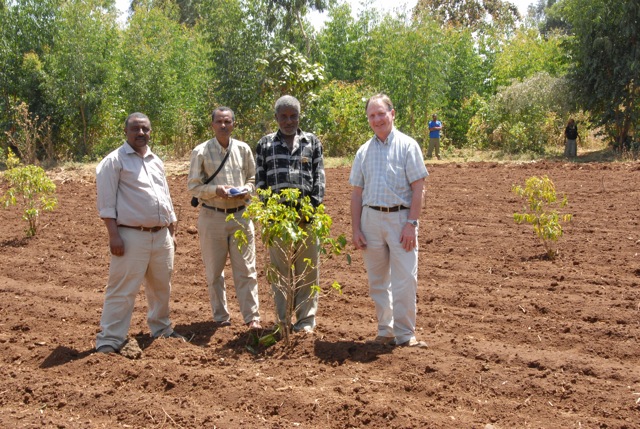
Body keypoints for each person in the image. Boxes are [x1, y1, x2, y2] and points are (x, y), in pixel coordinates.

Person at [95, 112, 185, 354]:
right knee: (123, 289)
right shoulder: (114, 161)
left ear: (150, 131)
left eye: (145, 129)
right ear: (126, 132)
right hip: (130, 235)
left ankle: (162, 328)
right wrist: (113, 236)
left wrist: (172, 231)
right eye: (135, 129)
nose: (141, 133)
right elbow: (106, 204)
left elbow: (166, 197)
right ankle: (110, 339)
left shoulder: (156, 161)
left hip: (161, 235)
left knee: (161, 287)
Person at [350, 94, 429, 348]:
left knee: (405, 278)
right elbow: (356, 193)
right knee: (378, 281)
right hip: (370, 219)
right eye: (372, 115)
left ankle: (405, 334)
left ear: (392, 114)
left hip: (400, 220)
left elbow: (419, 189)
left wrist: (412, 224)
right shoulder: (363, 151)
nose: (377, 119)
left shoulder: (408, 146)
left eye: (381, 113)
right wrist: (356, 228)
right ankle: (385, 330)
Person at [255, 95, 325, 333]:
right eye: (283, 116)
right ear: (276, 118)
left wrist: (310, 210)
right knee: (280, 274)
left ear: (299, 116)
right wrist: (275, 215)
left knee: (307, 271)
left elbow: (319, 181)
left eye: (293, 116)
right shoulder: (265, 144)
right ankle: (282, 321)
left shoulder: (312, 142)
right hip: (277, 223)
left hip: (307, 220)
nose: (288, 121)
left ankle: (306, 321)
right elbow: (261, 184)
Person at [187, 107, 261, 330]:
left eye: (227, 121)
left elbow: (253, 177)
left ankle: (252, 318)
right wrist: (216, 190)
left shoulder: (243, 149)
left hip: (240, 215)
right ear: (212, 125)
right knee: (214, 272)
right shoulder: (200, 151)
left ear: (233, 124)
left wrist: (246, 189)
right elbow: (193, 186)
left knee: (247, 270)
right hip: (212, 216)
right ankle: (221, 317)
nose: (223, 125)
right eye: (219, 122)